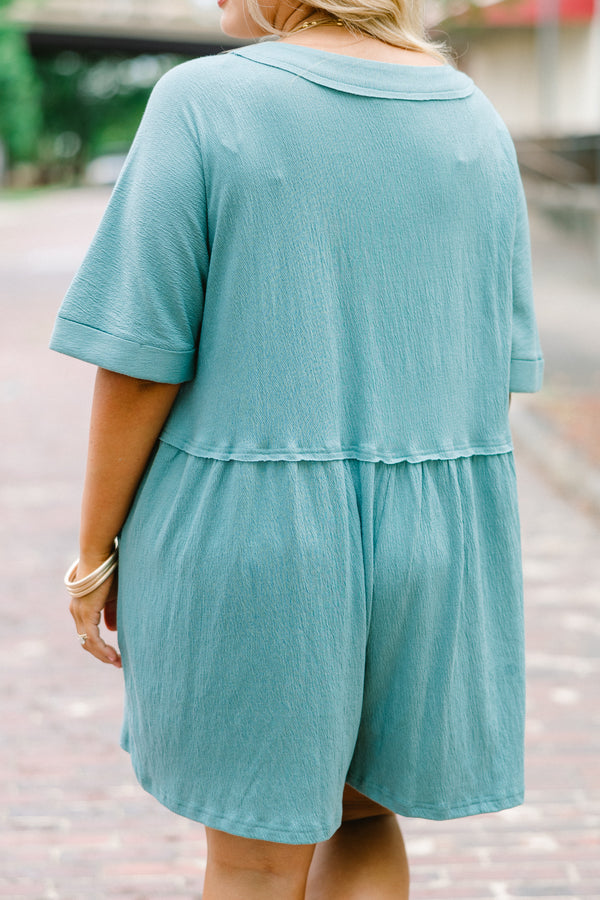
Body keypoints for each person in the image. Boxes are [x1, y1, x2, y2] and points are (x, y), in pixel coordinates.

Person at [49, 0, 544, 895]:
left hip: (255, 536)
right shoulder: (472, 114)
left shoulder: (203, 101)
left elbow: (138, 363)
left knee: (252, 859)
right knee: (364, 815)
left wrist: (93, 555)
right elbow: (494, 368)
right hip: (433, 546)